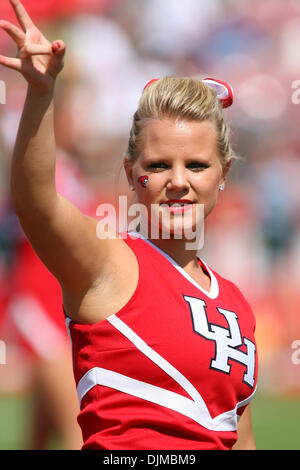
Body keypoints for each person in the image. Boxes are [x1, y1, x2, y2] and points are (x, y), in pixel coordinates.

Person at [0, 0, 258, 450]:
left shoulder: (237, 306)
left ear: (224, 174)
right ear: (129, 172)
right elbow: (36, 203)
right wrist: (41, 95)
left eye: (196, 165)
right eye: (158, 165)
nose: (178, 182)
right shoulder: (107, 263)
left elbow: (240, 439)